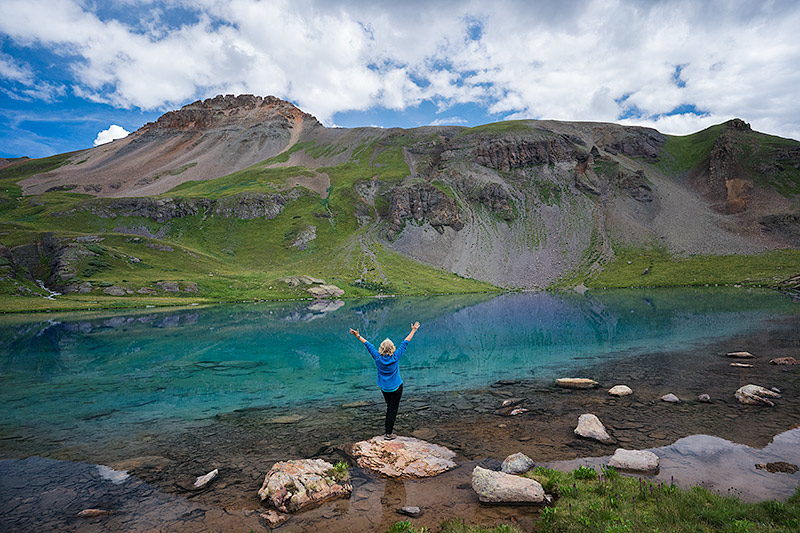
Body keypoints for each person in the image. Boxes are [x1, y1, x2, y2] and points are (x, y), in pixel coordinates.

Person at [350, 322, 420, 440]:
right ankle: (388, 434)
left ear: (381, 348)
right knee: (392, 410)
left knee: (389, 407)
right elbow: (405, 343)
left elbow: (368, 344)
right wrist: (413, 330)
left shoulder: (377, 357)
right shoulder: (395, 357)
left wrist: (357, 335)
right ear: (392, 348)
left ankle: (388, 428)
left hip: (384, 388)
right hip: (396, 387)